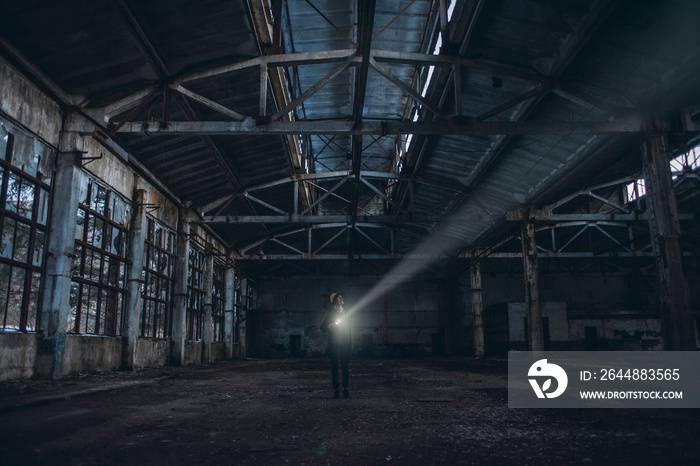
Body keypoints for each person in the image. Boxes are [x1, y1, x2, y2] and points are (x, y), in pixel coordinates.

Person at [320, 293, 352, 399]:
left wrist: (350, 343)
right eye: (339, 297)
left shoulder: (346, 312)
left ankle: (345, 388)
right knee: (335, 366)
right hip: (333, 342)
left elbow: (350, 328)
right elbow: (322, 328)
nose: (341, 298)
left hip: (344, 343)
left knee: (345, 366)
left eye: (342, 296)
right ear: (335, 300)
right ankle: (336, 389)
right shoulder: (330, 313)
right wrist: (330, 325)